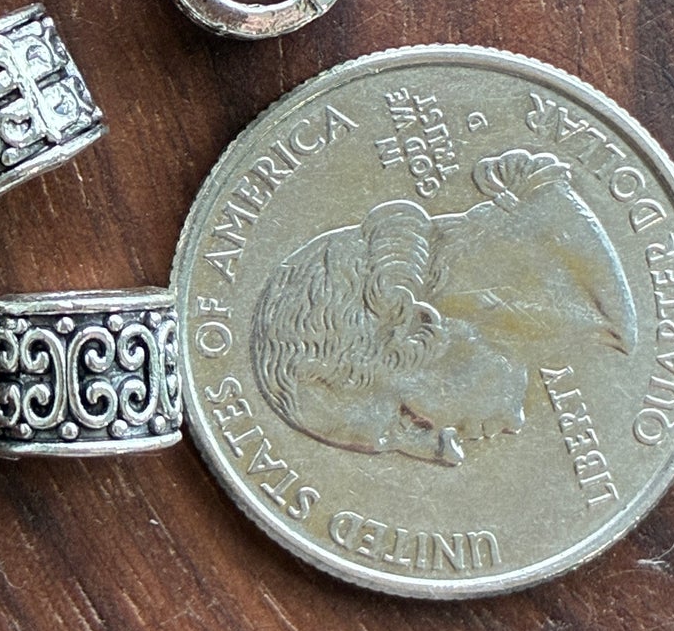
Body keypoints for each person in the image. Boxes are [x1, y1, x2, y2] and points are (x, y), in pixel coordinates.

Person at [251, 149, 636, 465]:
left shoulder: (599, 299)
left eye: (411, 419)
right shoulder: (596, 303)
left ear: (414, 330)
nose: (450, 454)